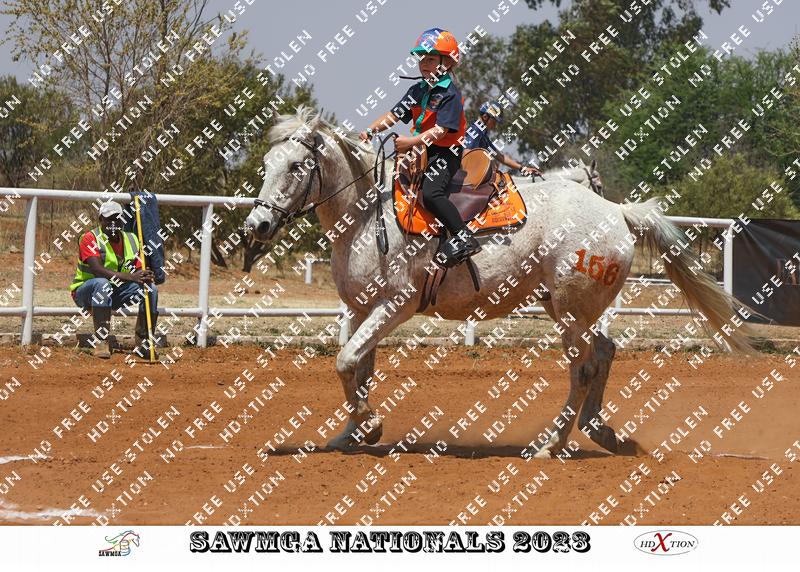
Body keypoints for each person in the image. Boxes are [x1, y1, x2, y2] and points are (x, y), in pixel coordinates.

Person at [359, 28, 481, 268]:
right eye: (422, 59)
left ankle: (465, 238)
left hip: (445, 154)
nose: (424, 64)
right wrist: (370, 131)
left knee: (432, 193)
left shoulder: (450, 93)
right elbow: (393, 115)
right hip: (421, 151)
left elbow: (441, 131)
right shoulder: (417, 90)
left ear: (447, 63)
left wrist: (410, 143)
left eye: (431, 59)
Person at [70, 200, 158, 359]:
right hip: (86, 293)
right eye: (109, 219)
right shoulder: (90, 238)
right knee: (102, 284)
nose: (113, 223)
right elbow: (97, 270)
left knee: (150, 289)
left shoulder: (132, 239)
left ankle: (144, 342)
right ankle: (101, 341)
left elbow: (137, 269)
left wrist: (144, 275)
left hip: (115, 293)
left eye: (117, 219)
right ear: (100, 220)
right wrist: (131, 277)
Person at [464, 100, 541, 177]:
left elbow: (500, 157)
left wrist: (522, 168)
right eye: (494, 121)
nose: (495, 125)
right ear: (485, 117)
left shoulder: (483, 134)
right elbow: (466, 153)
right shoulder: (475, 130)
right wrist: (486, 165)